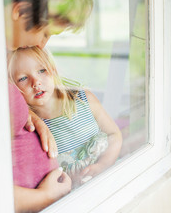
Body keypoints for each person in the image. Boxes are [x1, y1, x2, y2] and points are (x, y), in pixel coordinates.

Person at [3, 0, 94, 211]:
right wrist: (45, 196)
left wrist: (31, 117)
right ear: (20, 12)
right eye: (46, 33)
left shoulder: (3, 55)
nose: (43, 45)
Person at [8, 46, 123, 188]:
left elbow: (114, 134)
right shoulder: (32, 128)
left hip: (110, 177)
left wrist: (102, 166)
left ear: (53, 70)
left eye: (41, 70)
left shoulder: (84, 99)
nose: (36, 82)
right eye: (23, 78)